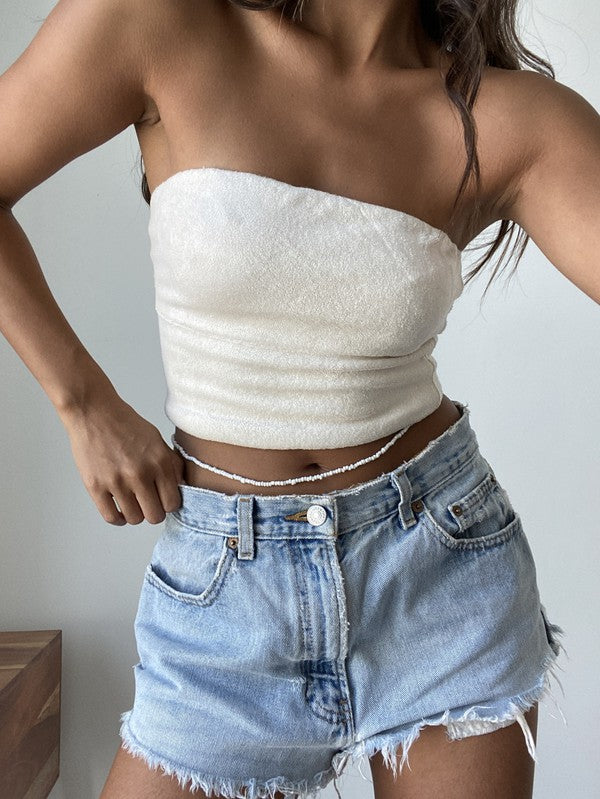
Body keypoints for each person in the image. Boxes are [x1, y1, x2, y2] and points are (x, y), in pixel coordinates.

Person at [1, 0, 597, 796]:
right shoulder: (159, 21)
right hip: (224, 589)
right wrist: (83, 402)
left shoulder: (511, 119)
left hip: (439, 571)